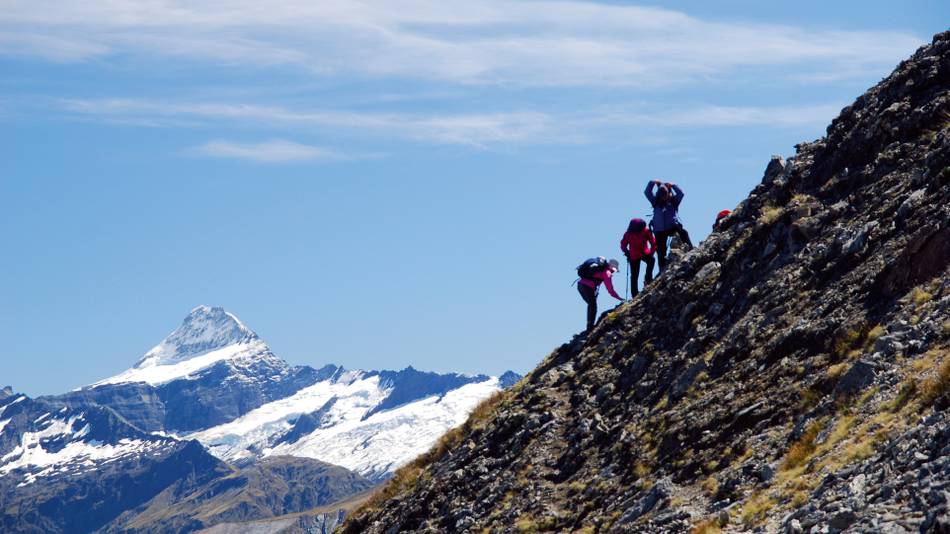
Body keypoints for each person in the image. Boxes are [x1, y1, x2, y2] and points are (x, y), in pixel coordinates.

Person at [645, 180, 693, 272]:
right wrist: (653, 182)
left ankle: (691, 249)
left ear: (668, 193)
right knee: (661, 250)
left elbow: (681, 193)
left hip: (671, 227)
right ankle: (662, 268)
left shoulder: (673, 200)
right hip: (659, 230)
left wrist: (673, 185)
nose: (663, 197)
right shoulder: (655, 201)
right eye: (662, 195)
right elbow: (647, 192)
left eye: (665, 194)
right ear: (659, 194)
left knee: (683, 233)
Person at [576, 257, 624, 332]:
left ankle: (589, 325)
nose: (613, 272)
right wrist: (619, 298)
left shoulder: (601, 269)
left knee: (591, 305)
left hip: (580, 285)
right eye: (614, 271)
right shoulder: (607, 273)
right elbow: (610, 290)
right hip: (587, 287)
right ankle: (590, 327)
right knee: (593, 306)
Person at [620, 218, 656, 295]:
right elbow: (653, 243)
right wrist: (651, 253)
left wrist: (627, 253)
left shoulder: (628, 234)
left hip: (634, 255)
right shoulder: (645, 231)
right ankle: (648, 279)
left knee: (634, 275)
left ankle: (635, 293)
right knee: (651, 261)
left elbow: (623, 245)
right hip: (643, 253)